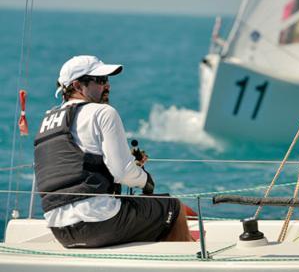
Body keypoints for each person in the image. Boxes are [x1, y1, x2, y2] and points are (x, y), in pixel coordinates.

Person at [34, 55, 194, 248]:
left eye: (107, 80)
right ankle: (183, 271)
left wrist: (130, 165)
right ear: (77, 86)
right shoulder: (103, 113)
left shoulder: (46, 121)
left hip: (61, 230)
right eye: (100, 80)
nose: (107, 86)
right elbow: (123, 173)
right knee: (172, 207)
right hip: (98, 222)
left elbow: (73, 166)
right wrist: (147, 181)